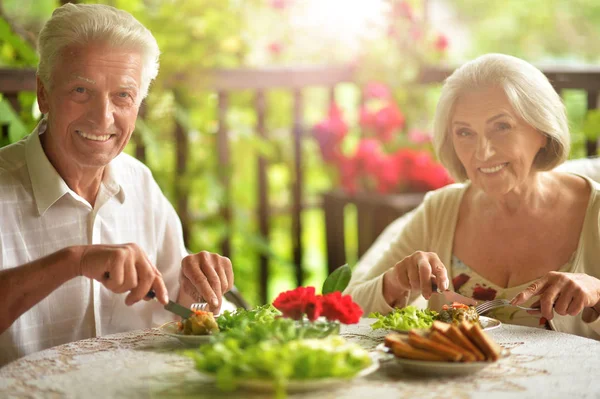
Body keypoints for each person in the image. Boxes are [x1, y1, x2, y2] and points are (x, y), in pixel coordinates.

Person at [0, 4, 234, 366]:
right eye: (81, 90)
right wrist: (73, 261)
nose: (102, 117)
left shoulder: (138, 180)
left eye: (123, 96)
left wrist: (197, 294)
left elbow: (183, 316)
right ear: (43, 93)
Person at [345, 53, 600, 340]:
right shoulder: (440, 209)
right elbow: (347, 308)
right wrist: (393, 283)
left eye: (501, 127)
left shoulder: (596, 212)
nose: (482, 153)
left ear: (542, 130)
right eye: (465, 132)